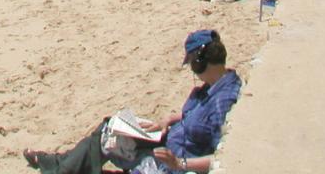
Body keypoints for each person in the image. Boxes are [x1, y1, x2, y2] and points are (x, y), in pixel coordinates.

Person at [22, 29, 241, 174]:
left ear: (200, 64)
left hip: (171, 165)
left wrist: (180, 163)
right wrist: (169, 119)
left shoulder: (224, 102)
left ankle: (56, 165)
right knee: (109, 132)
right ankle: (58, 163)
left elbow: (222, 156)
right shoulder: (215, 85)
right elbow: (199, 119)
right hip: (164, 145)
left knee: (103, 144)